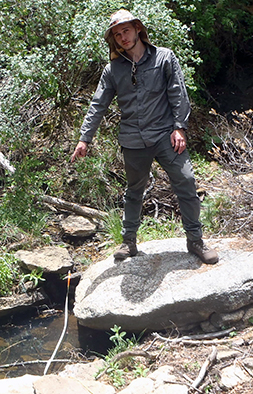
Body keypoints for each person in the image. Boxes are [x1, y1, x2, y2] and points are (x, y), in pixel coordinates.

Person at [70, 9, 218, 264]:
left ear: (138, 28)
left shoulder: (164, 58)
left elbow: (178, 94)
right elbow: (98, 105)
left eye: (126, 30)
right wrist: (85, 138)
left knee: (186, 181)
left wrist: (179, 127)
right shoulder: (113, 69)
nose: (122, 37)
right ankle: (129, 242)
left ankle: (195, 241)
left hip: (165, 135)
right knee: (134, 191)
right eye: (117, 34)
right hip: (133, 140)